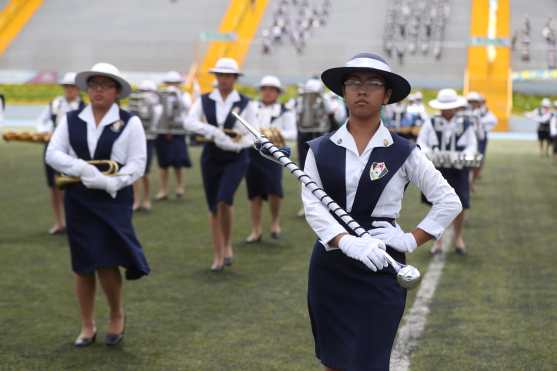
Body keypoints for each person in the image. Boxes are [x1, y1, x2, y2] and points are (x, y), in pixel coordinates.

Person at [303, 53, 462, 371]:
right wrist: (344, 241)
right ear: (343, 92)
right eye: (354, 83)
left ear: (386, 95)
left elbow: (449, 201)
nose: (362, 90)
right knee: (333, 362)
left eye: (373, 83)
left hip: (382, 264)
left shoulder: (404, 151)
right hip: (331, 267)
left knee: (371, 362)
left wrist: (410, 240)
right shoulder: (320, 148)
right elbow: (313, 206)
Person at [46, 63, 150, 347]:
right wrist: (81, 167)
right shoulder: (71, 119)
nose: (98, 91)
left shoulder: (131, 122)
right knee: (82, 265)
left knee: (106, 260)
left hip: (113, 200)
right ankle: (87, 324)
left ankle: (116, 314)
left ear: (116, 91)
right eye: (93, 85)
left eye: (105, 85)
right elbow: (53, 153)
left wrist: (111, 183)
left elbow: (138, 164)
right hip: (79, 198)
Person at [185, 58, 257, 271]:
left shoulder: (245, 102)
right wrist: (213, 132)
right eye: (220, 75)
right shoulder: (205, 100)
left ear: (235, 78)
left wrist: (238, 145)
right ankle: (217, 253)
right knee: (213, 206)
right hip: (211, 156)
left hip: (236, 157)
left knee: (225, 199)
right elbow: (189, 121)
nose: (223, 80)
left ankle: (227, 245)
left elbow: (254, 132)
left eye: (228, 76)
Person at [417, 88, 477, 255]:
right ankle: (438, 241)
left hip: (458, 170)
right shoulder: (431, 122)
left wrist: (462, 157)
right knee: (436, 205)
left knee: (460, 206)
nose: (446, 110)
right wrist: (431, 154)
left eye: (450, 106)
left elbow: (472, 145)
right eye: (444, 107)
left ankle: (458, 238)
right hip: (437, 169)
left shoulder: (465, 124)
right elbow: (422, 142)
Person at [244, 75, 297, 243]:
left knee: (275, 190)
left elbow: (293, 132)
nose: (267, 92)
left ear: (277, 92)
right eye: (264, 89)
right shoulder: (250, 108)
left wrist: (273, 134)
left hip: (274, 154)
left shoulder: (284, 111)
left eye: (271, 89)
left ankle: (275, 222)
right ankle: (256, 229)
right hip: (253, 153)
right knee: (254, 193)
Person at [36, 72, 86, 235]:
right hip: (52, 149)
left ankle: (75, 223)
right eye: (66, 87)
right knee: (54, 187)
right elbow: (40, 121)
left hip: (74, 153)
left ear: (78, 89)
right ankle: (59, 222)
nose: (69, 90)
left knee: (73, 188)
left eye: (72, 87)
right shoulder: (55, 103)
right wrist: (46, 132)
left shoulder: (85, 108)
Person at [295, 77, 340, 216]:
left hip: (322, 138)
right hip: (305, 138)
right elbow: (299, 121)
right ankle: (308, 205)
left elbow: (335, 120)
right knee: (305, 172)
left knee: (324, 172)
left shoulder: (328, 102)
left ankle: (327, 204)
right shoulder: (300, 103)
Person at [154, 71, 192, 200]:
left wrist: (177, 97)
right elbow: (156, 112)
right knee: (163, 163)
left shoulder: (184, 95)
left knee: (178, 161)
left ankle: (180, 187)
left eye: (175, 84)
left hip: (178, 132)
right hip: (162, 132)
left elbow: (187, 109)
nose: (172, 86)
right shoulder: (159, 96)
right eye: (169, 84)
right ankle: (163, 190)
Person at [128, 80, 163, 211]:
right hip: (136, 139)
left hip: (149, 139)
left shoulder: (157, 105)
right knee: (135, 170)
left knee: (145, 172)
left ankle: (146, 199)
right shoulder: (134, 102)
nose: (146, 95)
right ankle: (136, 200)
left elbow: (156, 122)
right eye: (143, 92)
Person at [466, 91, 497, 187]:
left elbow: (493, 120)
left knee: (477, 161)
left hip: (477, 139)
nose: (473, 104)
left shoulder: (484, 111)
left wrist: (481, 124)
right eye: (471, 101)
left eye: (475, 102)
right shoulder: (464, 112)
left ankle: (472, 182)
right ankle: (468, 182)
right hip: (466, 140)